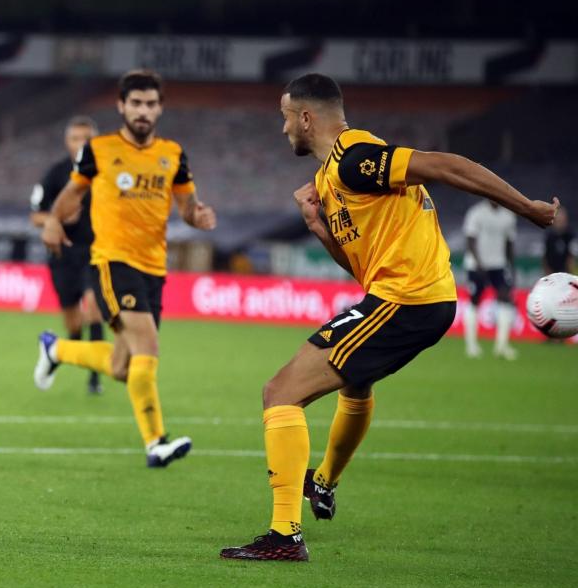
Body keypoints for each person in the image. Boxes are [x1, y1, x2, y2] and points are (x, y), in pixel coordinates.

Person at [219, 73, 558, 561]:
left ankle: (284, 536)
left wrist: (525, 208)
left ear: (307, 118)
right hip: (400, 296)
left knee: (281, 392)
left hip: (410, 299)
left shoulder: (356, 158)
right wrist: (317, 226)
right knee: (354, 383)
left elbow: (445, 165)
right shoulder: (328, 182)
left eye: (286, 117)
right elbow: (360, 265)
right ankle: (324, 484)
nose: (283, 128)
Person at [34, 69, 217, 468]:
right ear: (121, 106)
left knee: (123, 366)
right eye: (136, 103)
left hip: (155, 268)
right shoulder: (99, 149)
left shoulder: (173, 154)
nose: (143, 110)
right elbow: (72, 193)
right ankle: (156, 442)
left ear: (160, 108)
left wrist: (197, 216)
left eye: (151, 104)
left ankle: (57, 348)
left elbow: (186, 206)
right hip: (113, 262)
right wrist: (52, 220)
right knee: (148, 348)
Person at [30, 115, 105, 394]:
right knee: (73, 323)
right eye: (76, 139)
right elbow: (34, 216)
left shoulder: (105, 173)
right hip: (62, 254)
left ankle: (94, 380)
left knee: (94, 307)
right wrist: (55, 219)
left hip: (96, 252)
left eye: (86, 139)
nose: (81, 144)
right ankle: (58, 353)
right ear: (67, 142)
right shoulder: (55, 174)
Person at [462, 200, 519, 360]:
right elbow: (470, 241)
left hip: (498, 264)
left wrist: (511, 267)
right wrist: (479, 264)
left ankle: (502, 346)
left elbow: (510, 244)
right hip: (476, 265)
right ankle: (471, 345)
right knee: (475, 300)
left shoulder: (508, 216)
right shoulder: (476, 212)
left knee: (505, 299)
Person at [543, 206, 574, 275]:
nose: (560, 222)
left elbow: (571, 257)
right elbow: (545, 257)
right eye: (558, 220)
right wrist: (549, 274)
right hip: (552, 273)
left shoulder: (570, 235)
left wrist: (568, 273)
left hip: (565, 273)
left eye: (562, 220)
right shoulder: (549, 237)